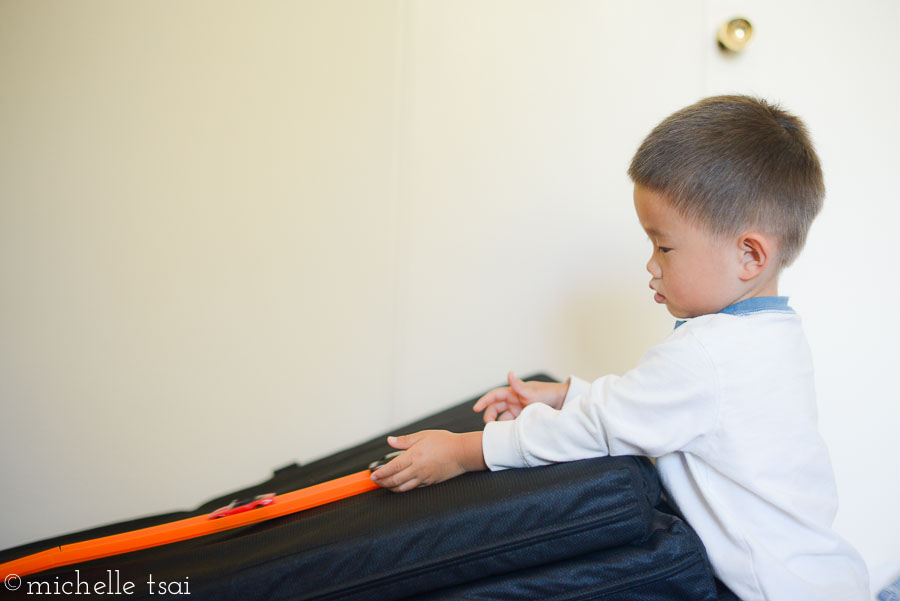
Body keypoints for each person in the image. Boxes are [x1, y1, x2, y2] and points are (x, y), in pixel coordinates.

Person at [369, 95, 869, 600]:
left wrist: (463, 451)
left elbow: (603, 429)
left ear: (749, 254)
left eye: (664, 246)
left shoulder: (709, 355)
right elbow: (656, 410)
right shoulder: (771, 334)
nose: (651, 265)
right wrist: (566, 394)